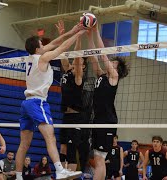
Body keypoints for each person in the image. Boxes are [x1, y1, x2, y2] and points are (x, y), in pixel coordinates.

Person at [15, 21, 86, 180]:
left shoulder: (31, 57)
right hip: (38, 103)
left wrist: (72, 30)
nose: (44, 44)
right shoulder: (43, 57)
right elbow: (61, 48)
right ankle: (60, 170)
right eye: (42, 43)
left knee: (24, 144)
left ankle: (19, 177)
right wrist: (79, 34)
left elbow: (55, 43)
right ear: (38, 48)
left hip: (26, 103)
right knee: (50, 137)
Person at [86, 23, 130, 180]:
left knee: (100, 159)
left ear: (116, 69)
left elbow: (102, 54)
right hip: (98, 120)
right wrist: (89, 34)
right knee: (98, 158)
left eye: (114, 64)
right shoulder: (101, 75)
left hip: (107, 121)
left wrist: (96, 29)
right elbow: (93, 56)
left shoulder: (114, 77)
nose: (110, 63)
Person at [57, 21, 92, 172]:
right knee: (63, 148)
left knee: (71, 150)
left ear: (82, 66)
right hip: (66, 116)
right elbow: (63, 52)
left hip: (77, 118)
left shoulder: (78, 76)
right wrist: (62, 35)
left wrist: (78, 35)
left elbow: (77, 56)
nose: (74, 60)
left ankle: (69, 175)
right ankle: (62, 174)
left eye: (78, 61)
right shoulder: (66, 71)